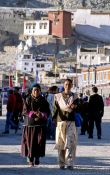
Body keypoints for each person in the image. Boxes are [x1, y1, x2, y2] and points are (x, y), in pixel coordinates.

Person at [21, 83, 50, 167]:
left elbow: (48, 111)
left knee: (39, 142)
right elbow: (24, 111)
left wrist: (42, 114)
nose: (36, 91)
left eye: (38, 90)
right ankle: (30, 159)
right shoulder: (27, 99)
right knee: (30, 143)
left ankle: (37, 157)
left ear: (40, 91)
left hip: (40, 125)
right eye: (34, 90)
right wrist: (33, 113)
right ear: (32, 91)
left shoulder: (43, 100)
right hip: (30, 125)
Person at [53, 79, 77, 170]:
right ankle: (61, 163)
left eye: (69, 84)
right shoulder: (58, 96)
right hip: (60, 122)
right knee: (61, 143)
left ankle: (70, 163)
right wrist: (54, 119)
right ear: (63, 85)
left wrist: (76, 107)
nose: (68, 86)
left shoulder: (75, 96)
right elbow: (55, 109)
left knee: (70, 142)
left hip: (71, 121)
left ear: (72, 85)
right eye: (66, 84)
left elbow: (78, 107)